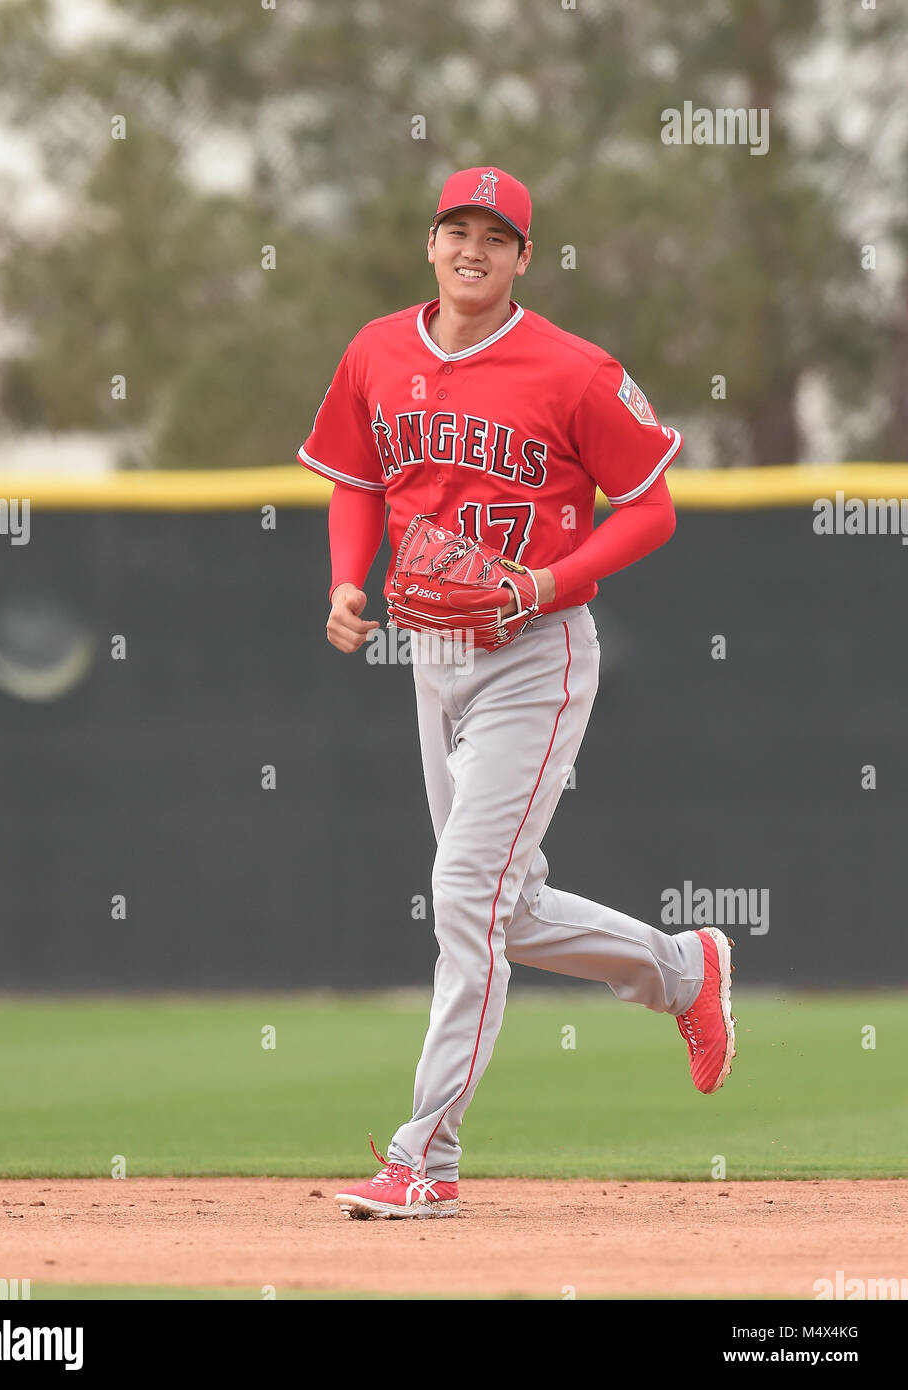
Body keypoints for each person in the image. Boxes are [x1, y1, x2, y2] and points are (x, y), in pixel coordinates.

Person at [297, 166, 735, 1221]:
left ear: (524, 257)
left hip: (534, 653)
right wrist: (346, 581)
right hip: (428, 652)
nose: (473, 251)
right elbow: (358, 479)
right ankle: (680, 969)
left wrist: (549, 579)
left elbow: (651, 508)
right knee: (506, 903)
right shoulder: (374, 350)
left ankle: (424, 1156)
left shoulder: (574, 370)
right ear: (431, 243)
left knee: (462, 898)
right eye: (457, 230)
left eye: (496, 236)